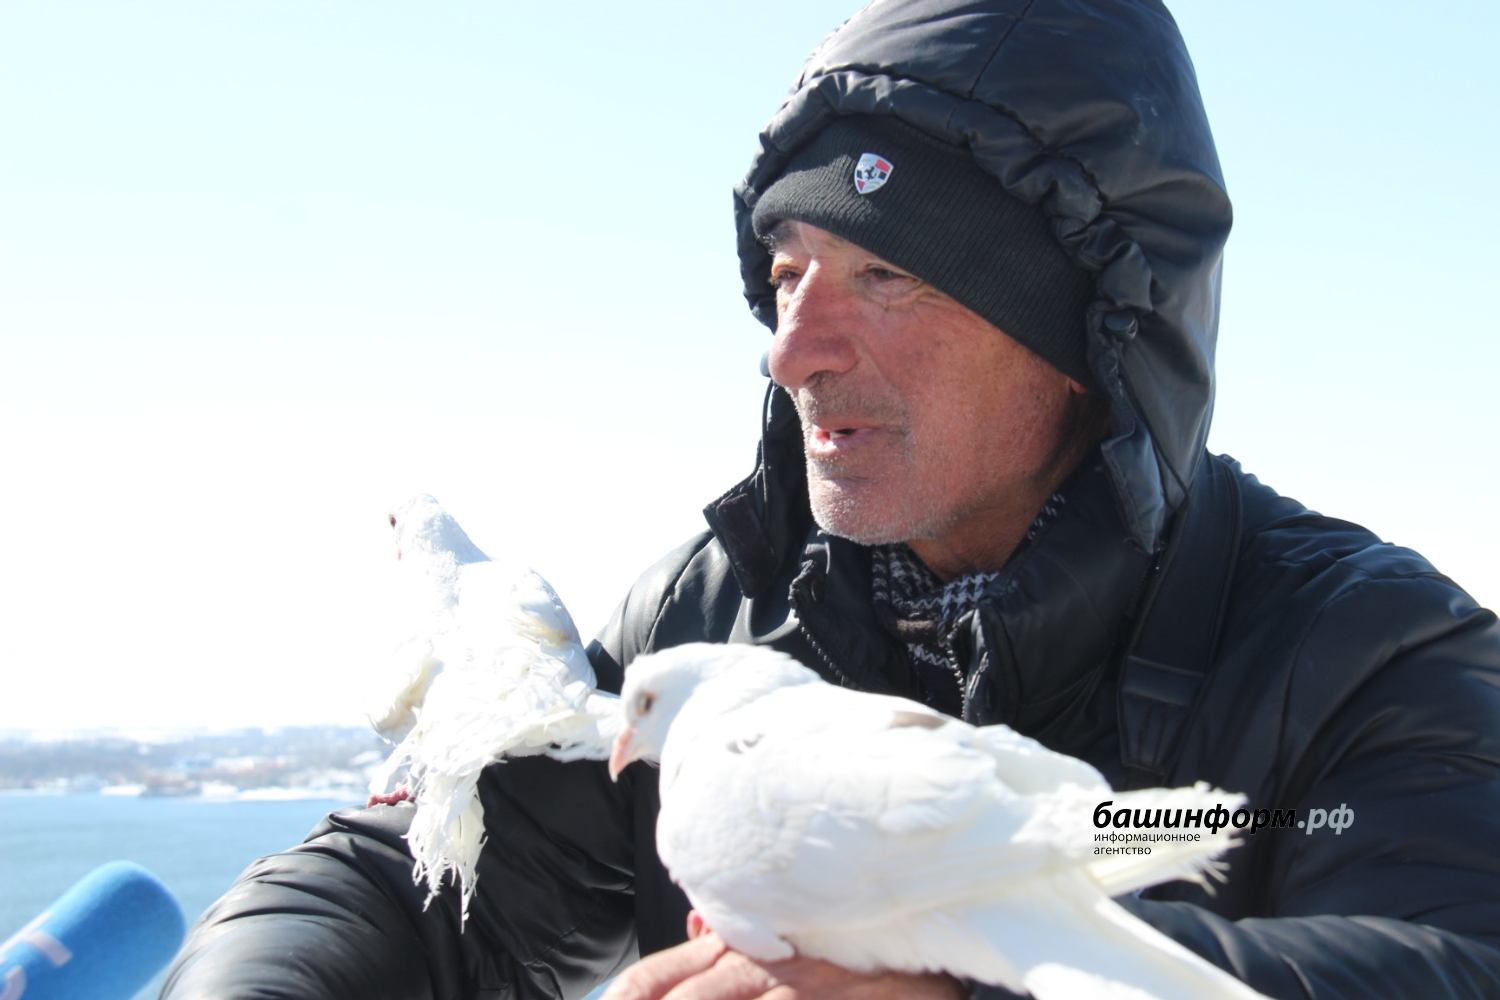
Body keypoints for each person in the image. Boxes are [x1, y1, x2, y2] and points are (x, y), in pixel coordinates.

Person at [161, 1, 1500, 998]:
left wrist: (966, 985)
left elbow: (1454, 962)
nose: (791, 350)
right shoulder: (712, 613)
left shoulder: (1372, 658)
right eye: (789, 272)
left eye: (886, 276)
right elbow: (436, 883)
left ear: (1089, 340)